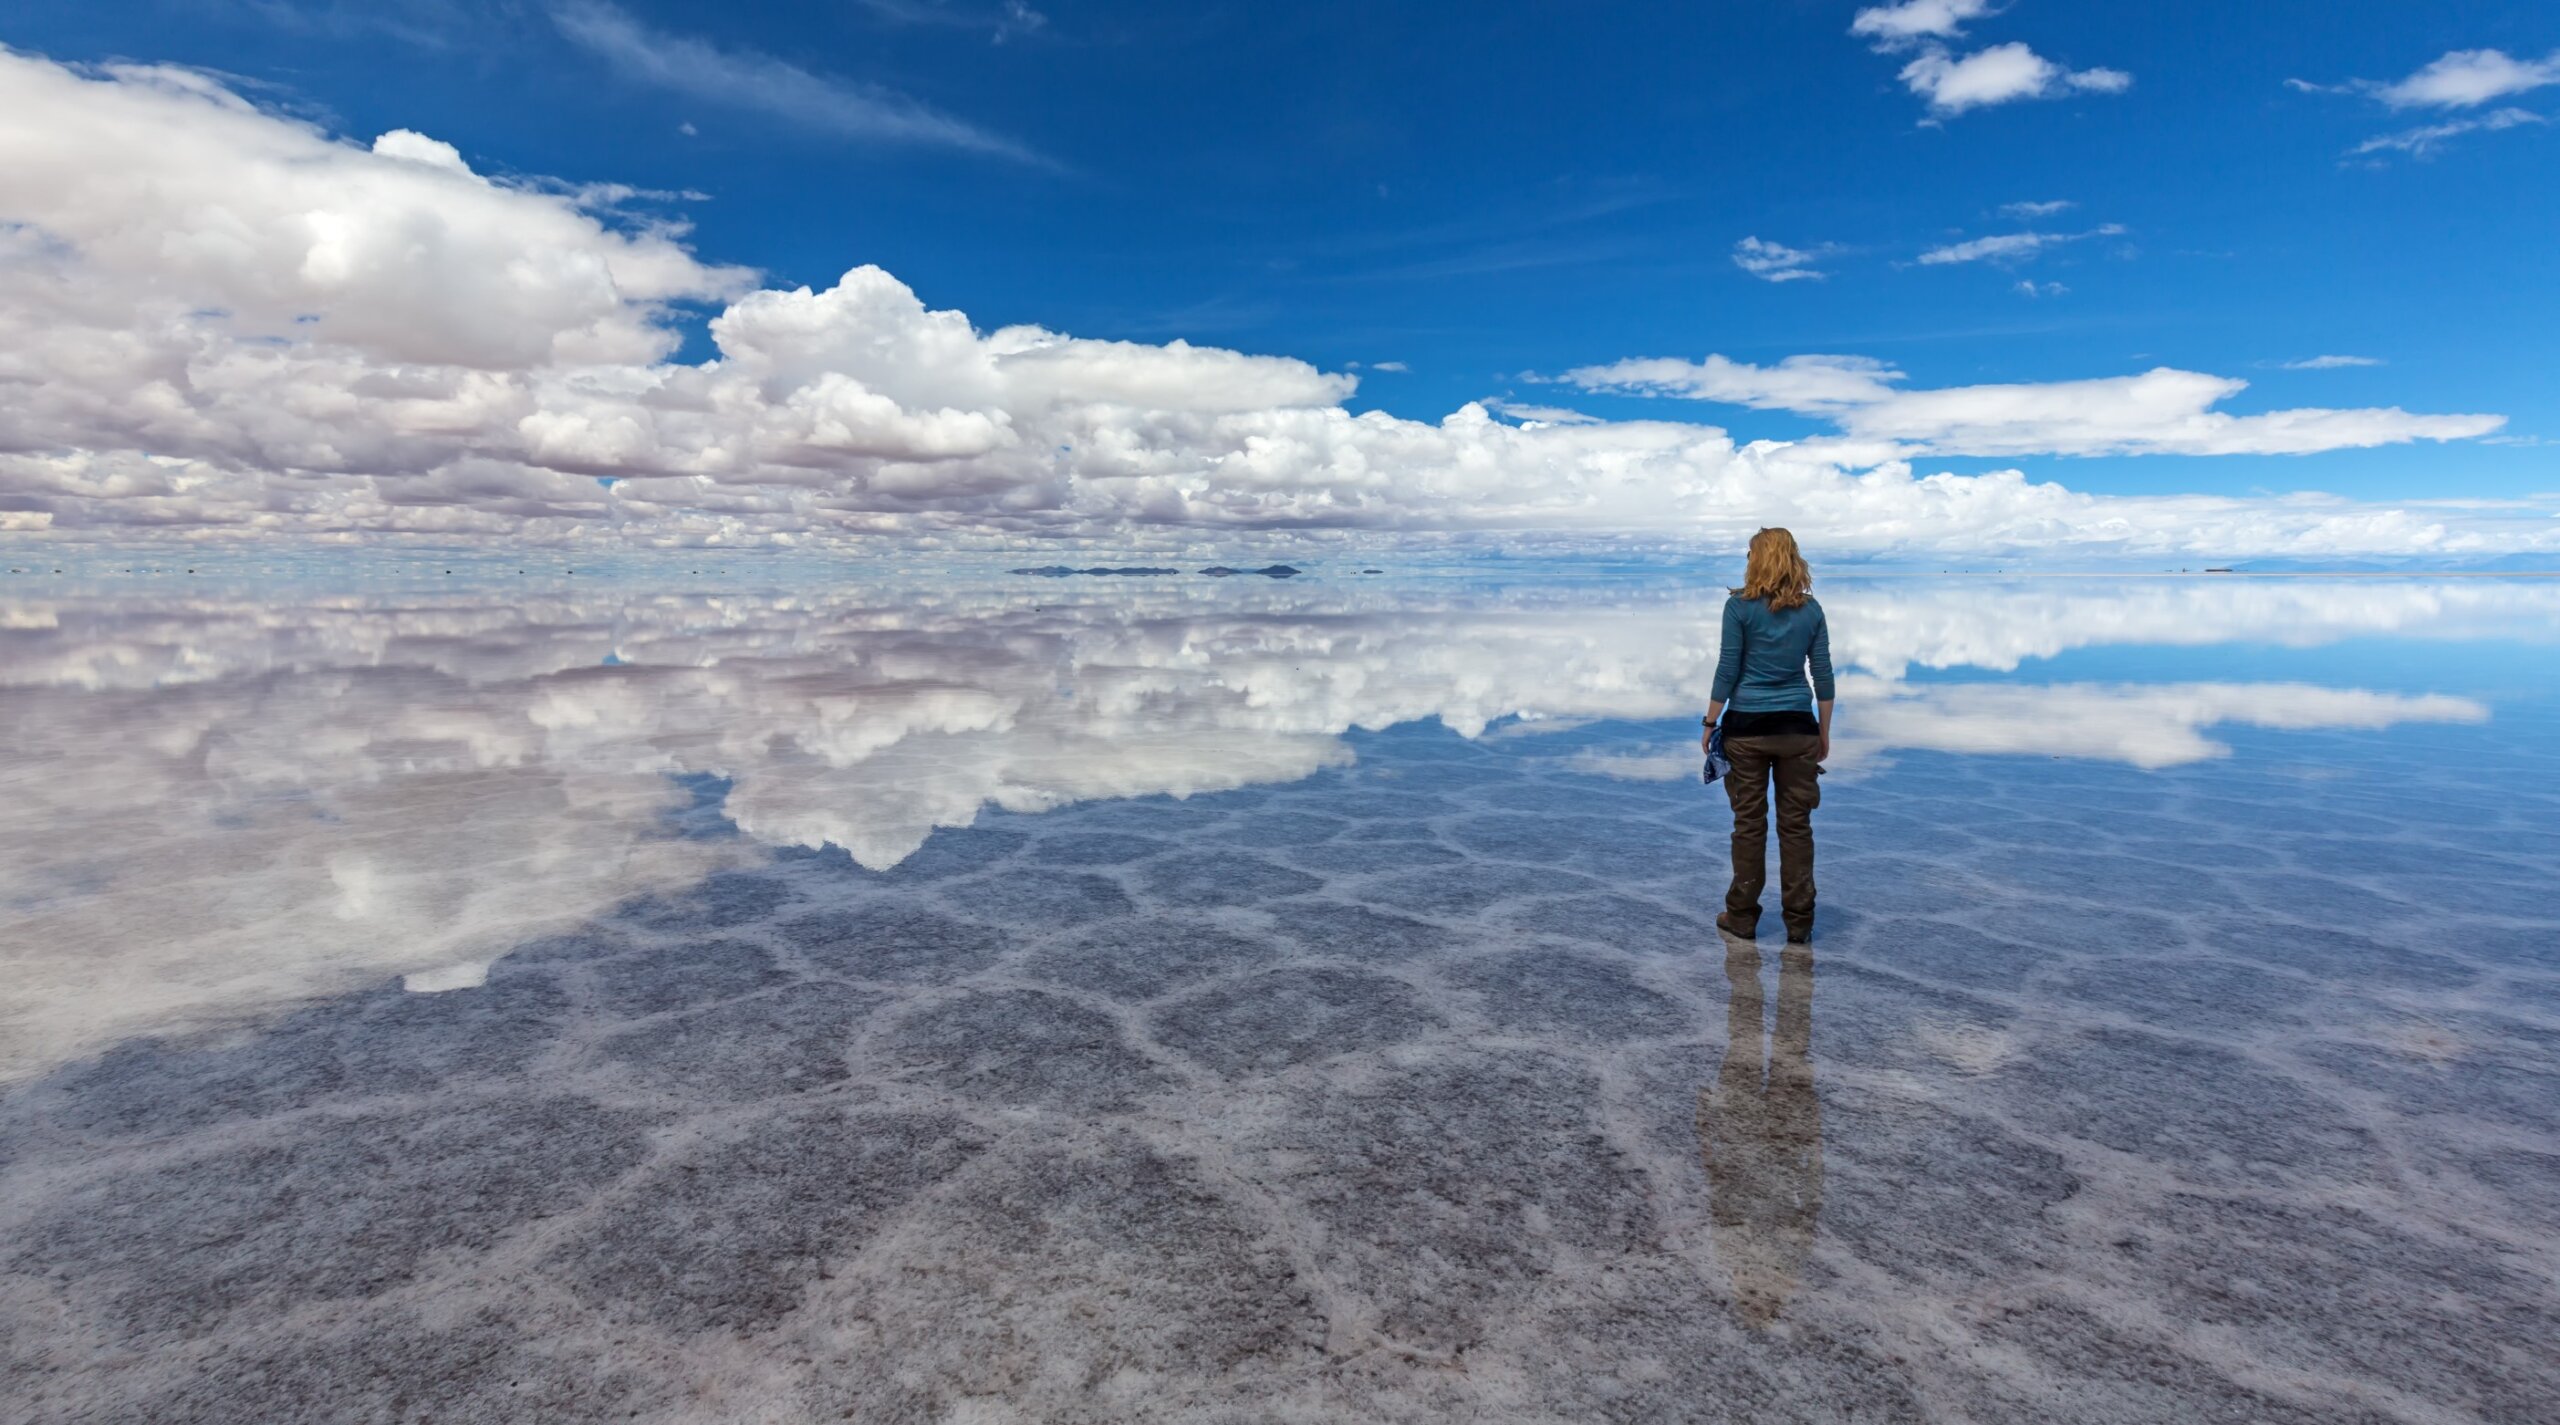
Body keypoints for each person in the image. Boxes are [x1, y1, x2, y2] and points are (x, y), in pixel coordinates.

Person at [1701, 528, 1833, 943]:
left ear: (1757, 560)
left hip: (1747, 731)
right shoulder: (1811, 610)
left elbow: (1728, 668)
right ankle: (1800, 922)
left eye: (1749, 554)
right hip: (1798, 729)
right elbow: (1823, 675)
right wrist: (1823, 732)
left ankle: (1742, 917)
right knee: (1796, 828)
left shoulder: (1738, 608)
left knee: (1748, 826)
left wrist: (1709, 723)